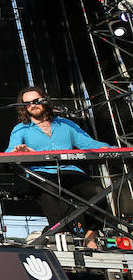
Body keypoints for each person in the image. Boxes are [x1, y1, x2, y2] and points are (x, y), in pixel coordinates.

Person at [7, 85, 111, 249]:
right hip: (41, 174)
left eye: (36, 101)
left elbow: (89, 144)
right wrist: (20, 151)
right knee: (49, 190)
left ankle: (91, 236)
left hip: (70, 172)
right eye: (28, 103)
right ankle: (59, 236)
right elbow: (9, 152)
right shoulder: (21, 129)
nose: (32, 105)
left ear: (45, 100)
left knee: (97, 192)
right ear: (23, 107)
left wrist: (109, 149)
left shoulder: (66, 124)